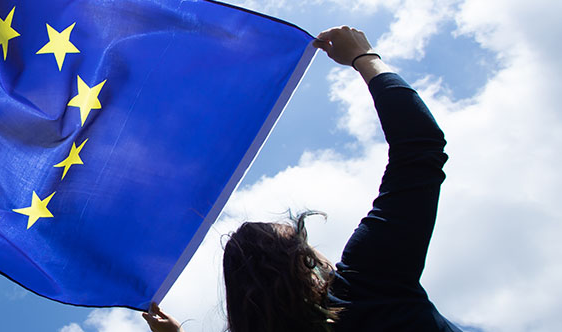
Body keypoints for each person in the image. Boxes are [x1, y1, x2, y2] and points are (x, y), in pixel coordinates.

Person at [142, 26, 461, 332]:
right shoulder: (367, 282)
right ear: (305, 263)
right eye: (303, 243)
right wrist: (365, 57)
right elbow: (419, 148)